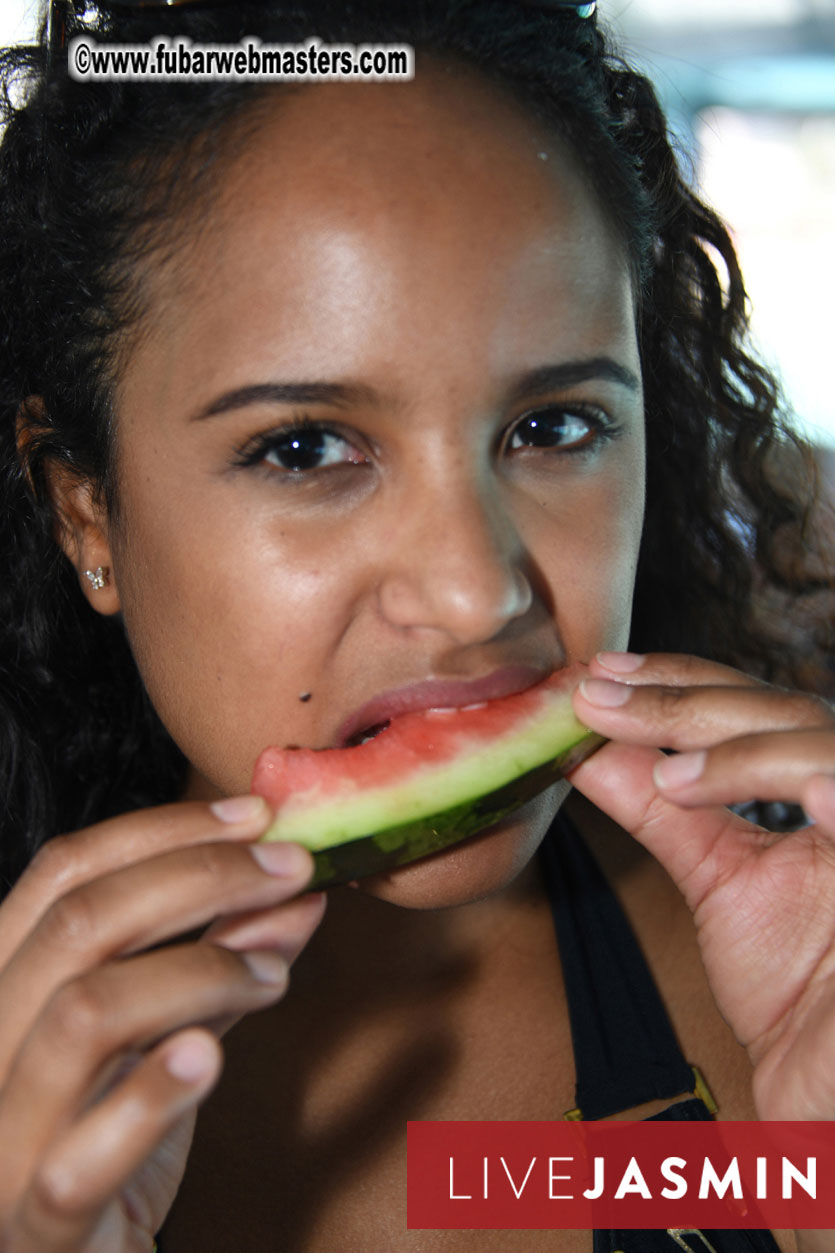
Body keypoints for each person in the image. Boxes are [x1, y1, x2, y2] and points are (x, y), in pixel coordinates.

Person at [0, 1, 833, 1250]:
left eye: (552, 426)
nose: (475, 590)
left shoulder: (775, 991)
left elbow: (492, 1181)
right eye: (304, 447)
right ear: (85, 513)